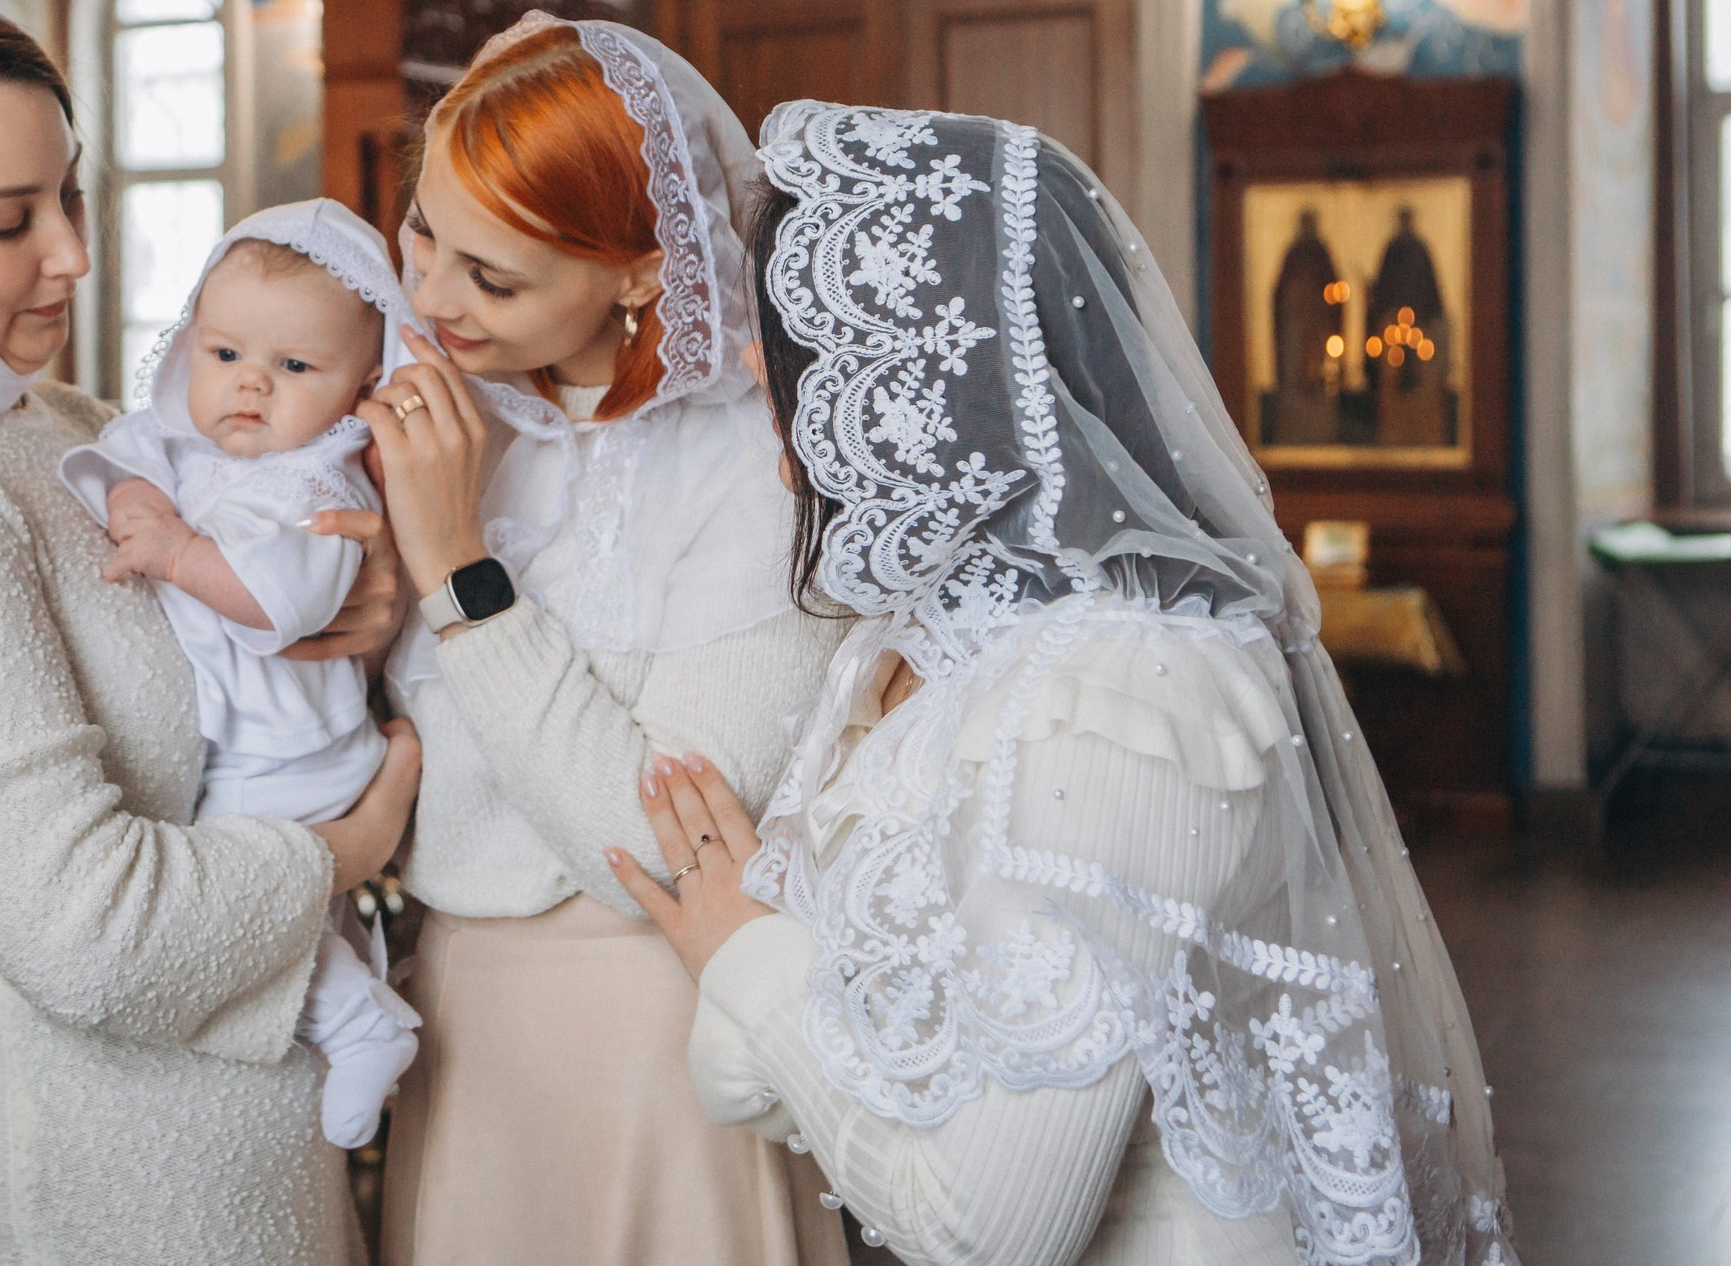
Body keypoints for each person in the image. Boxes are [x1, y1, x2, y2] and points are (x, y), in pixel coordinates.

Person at [609, 101, 1519, 1266]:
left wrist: (744, 959)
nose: (750, 366)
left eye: (791, 334)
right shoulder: (920, 641)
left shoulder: (1131, 701)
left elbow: (988, 1228)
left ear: (921, 377)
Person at [0, 0, 419, 1266]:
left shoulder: (61, 423)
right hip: (79, 1193)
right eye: (8, 222)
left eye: (72, 198)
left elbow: (270, 574)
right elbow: (88, 938)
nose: (70, 256)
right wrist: (350, 840)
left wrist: (368, 591)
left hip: (235, 1175)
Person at [362, 11, 850, 1266]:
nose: (428, 298)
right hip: (458, 1007)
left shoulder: (755, 464)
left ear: (638, 271)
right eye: (423, 231)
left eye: (494, 277)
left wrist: (459, 573)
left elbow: (656, 844)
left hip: (652, 1029)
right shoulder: (432, 409)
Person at [59, 199, 424, 1151]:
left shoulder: (320, 483)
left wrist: (178, 552)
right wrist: (141, 496)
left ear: (360, 385)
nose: (250, 385)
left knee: (239, 883)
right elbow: (113, 464)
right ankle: (346, 1005)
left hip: (297, 746)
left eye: (295, 367)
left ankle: (360, 1023)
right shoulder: (183, 440)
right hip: (247, 741)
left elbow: (285, 602)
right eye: (225, 356)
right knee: (278, 901)